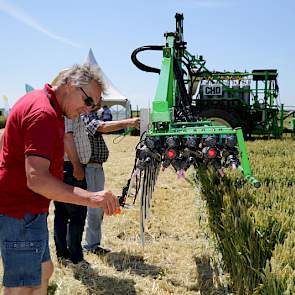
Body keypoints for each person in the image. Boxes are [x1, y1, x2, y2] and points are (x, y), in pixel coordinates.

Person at [0, 64, 119, 294]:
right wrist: (92, 197)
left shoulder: (39, 102)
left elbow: (8, 143)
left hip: (26, 210)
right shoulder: (43, 114)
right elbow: (37, 180)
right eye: (88, 101)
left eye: (93, 106)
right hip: (20, 212)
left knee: (44, 271)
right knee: (23, 287)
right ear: (70, 85)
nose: (89, 110)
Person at [63, 110, 139, 255]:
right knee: (93, 208)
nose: (100, 102)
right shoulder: (84, 118)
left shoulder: (87, 116)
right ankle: (88, 245)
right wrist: (129, 122)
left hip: (96, 167)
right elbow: (102, 126)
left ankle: (90, 244)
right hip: (90, 167)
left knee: (95, 208)